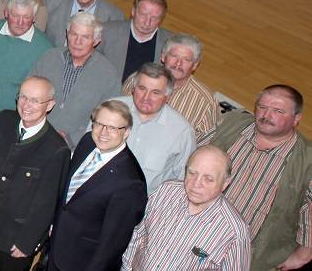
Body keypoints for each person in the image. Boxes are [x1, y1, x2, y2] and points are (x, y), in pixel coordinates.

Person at [0, 76, 71, 271]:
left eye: (35, 100)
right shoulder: (4, 119)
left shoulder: (57, 149)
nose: (26, 105)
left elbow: (46, 204)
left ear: (50, 105)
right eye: (23, 97)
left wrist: (28, 241)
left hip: (14, 238)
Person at [202, 85, 312, 270]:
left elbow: (310, 208)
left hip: (250, 256)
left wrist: (304, 253)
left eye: (277, 111)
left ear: (296, 119)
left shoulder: (307, 159)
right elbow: (194, 155)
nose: (266, 115)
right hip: (200, 233)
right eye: (262, 107)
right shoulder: (232, 123)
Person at [47, 100, 148, 271]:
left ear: (126, 132)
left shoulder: (131, 183)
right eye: (99, 124)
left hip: (83, 263)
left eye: (113, 128)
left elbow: (112, 244)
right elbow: (68, 192)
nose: (103, 132)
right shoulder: (87, 142)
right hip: (56, 248)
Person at [121, 146, 251, 271]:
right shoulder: (166, 191)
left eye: (208, 179)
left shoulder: (235, 231)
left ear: (225, 183)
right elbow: (138, 232)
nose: (196, 184)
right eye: (192, 173)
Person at [29, 12, 122, 148]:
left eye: (85, 37)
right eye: (74, 34)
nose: (78, 42)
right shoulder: (49, 57)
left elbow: (110, 117)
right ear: (67, 34)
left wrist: (71, 138)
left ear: (96, 40)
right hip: (35, 135)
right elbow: (27, 94)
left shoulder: (109, 74)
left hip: (75, 147)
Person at [111, 62, 196, 192]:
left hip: (143, 206)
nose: (146, 97)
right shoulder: (110, 110)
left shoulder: (182, 133)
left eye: (155, 92)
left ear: (168, 96)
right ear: (133, 88)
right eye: (142, 88)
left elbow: (181, 182)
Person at [0, 0, 55, 116]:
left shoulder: (46, 49)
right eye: (15, 15)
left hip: (11, 120)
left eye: (26, 17)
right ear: (6, 13)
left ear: (34, 18)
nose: (20, 22)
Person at [123, 34, 218, 140]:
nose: (178, 63)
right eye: (174, 56)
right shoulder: (137, 79)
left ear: (195, 65)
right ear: (163, 57)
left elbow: (205, 143)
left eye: (186, 59)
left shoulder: (205, 102)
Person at [100, 0, 173, 81]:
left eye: (154, 18)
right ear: (133, 11)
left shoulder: (172, 43)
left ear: (161, 19)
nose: (147, 22)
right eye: (143, 15)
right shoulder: (106, 32)